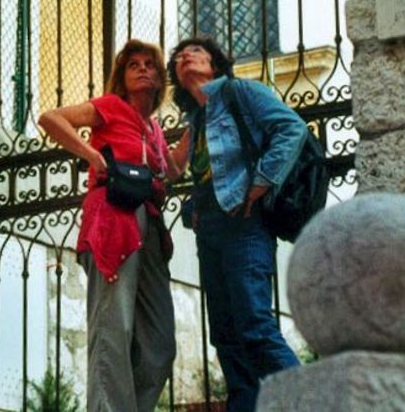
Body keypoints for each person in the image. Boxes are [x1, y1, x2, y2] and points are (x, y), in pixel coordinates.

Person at [38, 39, 187, 412]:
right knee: (113, 327)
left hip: (149, 225)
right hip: (113, 217)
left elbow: (173, 170)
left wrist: (200, 122)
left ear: (159, 79)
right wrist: (91, 154)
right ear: (122, 77)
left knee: (160, 343)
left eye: (149, 64)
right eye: (133, 64)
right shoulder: (110, 107)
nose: (142, 69)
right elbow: (51, 118)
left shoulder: (153, 129)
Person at [167, 36, 304, 412]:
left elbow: (291, 129)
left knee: (254, 327)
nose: (185, 56)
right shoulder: (196, 120)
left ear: (214, 64)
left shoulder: (240, 92)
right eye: (179, 56)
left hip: (245, 222)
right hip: (210, 229)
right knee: (225, 336)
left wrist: (262, 180)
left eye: (195, 51)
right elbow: (178, 169)